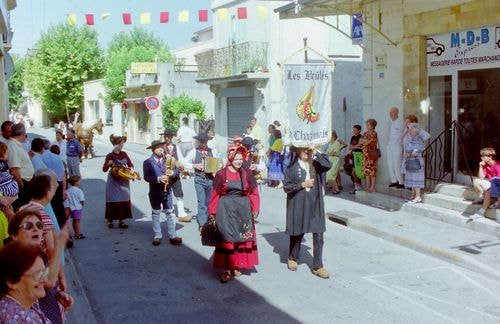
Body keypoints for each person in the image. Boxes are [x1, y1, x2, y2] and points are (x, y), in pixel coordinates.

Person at [6, 209, 72, 324]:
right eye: (28, 226)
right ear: (14, 235)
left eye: (39, 225)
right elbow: (48, 282)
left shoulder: (39, 256)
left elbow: (45, 284)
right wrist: (59, 244)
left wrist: (57, 294)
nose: (36, 229)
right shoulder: (14, 261)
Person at [208, 145, 260, 283]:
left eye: (241, 159)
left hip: (243, 210)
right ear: (230, 158)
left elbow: (254, 192)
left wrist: (255, 209)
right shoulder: (221, 174)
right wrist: (212, 213)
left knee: (240, 238)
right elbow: (215, 194)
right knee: (227, 239)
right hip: (225, 210)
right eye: (236, 158)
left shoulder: (247, 173)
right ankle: (227, 268)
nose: (238, 161)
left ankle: (236, 266)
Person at [284, 146, 331, 279]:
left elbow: (328, 164)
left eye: (309, 150)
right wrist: (302, 185)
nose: (307, 152)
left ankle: (318, 266)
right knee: (297, 232)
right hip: (298, 203)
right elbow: (286, 187)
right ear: (298, 151)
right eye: (304, 149)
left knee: (319, 233)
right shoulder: (291, 167)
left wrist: (316, 150)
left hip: (315, 204)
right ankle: (293, 257)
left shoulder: (316, 164)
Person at [0, 241, 52, 323]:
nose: (45, 280)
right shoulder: (21, 320)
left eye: (44, 272)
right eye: (37, 274)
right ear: (11, 281)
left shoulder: (21, 301)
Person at [143, 140, 183, 246]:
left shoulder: (168, 159)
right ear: (153, 150)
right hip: (155, 191)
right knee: (156, 213)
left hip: (167, 190)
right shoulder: (147, 162)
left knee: (170, 212)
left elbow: (178, 170)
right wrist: (158, 178)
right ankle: (157, 235)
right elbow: (146, 177)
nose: (161, 149)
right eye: (158, 148)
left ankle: (173, 235)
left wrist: (173, 172)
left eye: (162, 147)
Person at [184, 132, 218, 229]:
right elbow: (185, 163)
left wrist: (215, 168)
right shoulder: (194, 152)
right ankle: (202, 224)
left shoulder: (212, 151)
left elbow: (218, 163)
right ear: (199, 141)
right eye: (202, 141)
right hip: (199, 179)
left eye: (205, 141)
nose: (203, 143)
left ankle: (208, 221)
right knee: (201, 201)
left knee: (209, 202)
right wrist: (194, 165)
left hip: (210, 179)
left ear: (207, 141)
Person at [102, 135, 134, 229]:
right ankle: (110, 220)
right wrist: (108, 164)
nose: (122, 145)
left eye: (123, 143)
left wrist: (131, 169)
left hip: (123, 180)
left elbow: (130, 164)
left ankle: (122, 220)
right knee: (113, 199)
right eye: (121, 143)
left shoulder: (124, 154)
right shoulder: (110, 155)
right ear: (116, 144)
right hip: (113, 181)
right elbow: (104, 169)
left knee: (124, 198)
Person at [161, 128, 191, 222]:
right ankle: (169, 212)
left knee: (179, 193)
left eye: (169, 136)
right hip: (165, 173)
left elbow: (180, 160)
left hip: (175, 173)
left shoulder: (175, 147)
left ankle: (181, 213)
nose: (167, 138)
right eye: (166, 136)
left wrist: (183, 169)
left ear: (171, 137)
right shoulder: (161, 148)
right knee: (166, 192)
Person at [8, 123, 34, 211]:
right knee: (21, 208)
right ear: (22, 134)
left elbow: (21, 162)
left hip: (25, 181)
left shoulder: (17, 145)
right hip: (22, 182)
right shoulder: (13, 146)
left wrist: (28, 157)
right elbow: (14, 169)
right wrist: (21, 184)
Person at [41, 139, 67, 228]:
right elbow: (63, 175)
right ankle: (64, 230)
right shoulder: (57, 157)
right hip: (58, 184)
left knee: (48, 208)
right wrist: (64, 189)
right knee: (59, 208)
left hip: (46, 184)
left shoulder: (40, 157)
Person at [403, 123, 430, 204]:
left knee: (416, 178)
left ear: (415, 131)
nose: (409, 132)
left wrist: (408, 154)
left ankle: (418, 197)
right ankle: (413, 195)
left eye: (411, 130)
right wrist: (406, 154)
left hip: (416, 162)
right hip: (411, 161)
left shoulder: (419, 139)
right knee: (411, 178)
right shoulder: (412, 139)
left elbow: (416, 152)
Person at [470, 147, 500, 218]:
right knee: (476, 181)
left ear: (490, 157)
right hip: (493, 185)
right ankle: (483, 197)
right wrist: (480, 167)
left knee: (488, 191)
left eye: (484, 156)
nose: (481, 157)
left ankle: (481, 211)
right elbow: (481, 178)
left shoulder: (498, 165)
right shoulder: (486, 166)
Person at [386, 107, 404, 188]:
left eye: (392, 112)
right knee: (390, 163)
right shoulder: (389, 122)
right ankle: (394, 180)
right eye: (390, 112)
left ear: (397, 113)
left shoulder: (400, 122)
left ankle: (401, 181)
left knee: (397, 163)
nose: (391, 114)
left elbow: (403, 134)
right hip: (389, 145)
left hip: (397, 145)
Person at [360, 119, 379, 193]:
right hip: (365, 154)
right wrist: (365, 141)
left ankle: (372, 187)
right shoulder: (365, 133)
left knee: (372, 170)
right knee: (367, 170)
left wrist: (365, 141)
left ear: (372, 125)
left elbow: (368, 142)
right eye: (366, 124)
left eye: (368, 125)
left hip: (372, 154)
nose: (367, 126)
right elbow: (360, 141)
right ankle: (368, 186)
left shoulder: (374, 133)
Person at [344, 125, 363, 194]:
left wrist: (354, 147)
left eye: (355, 130)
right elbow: (350, 147)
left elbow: (361, 146)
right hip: (353, 156)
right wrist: (355, 146)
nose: (353, 131)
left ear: (359, 130)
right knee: (353, 172)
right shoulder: (352, 137)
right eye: (353, 130)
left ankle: (358, 186)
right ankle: (357, 187)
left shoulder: (361, 137)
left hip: (359, 156)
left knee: (355, 172)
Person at [66, 175, 85, 240]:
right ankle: (77, 234)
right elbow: (82, 200)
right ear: (76, 182)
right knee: (77, 221)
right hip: (77, 207)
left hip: (71, 207)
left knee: (74, 221)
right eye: (79, 181)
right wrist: (82, 205)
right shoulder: (79, 191)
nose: (80, 182)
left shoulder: (68, 190)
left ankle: (76, 232)